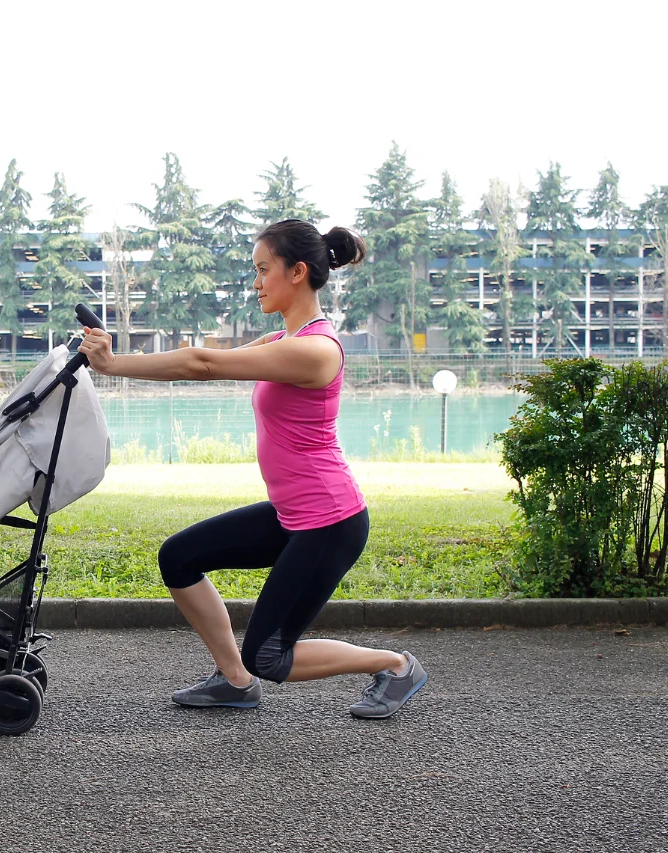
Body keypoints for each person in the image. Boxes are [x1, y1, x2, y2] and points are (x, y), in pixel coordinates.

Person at [78, 219, 427, 720]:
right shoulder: (283, 339)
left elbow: (204, 364)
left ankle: (395, 665)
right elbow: (203, 364)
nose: (257, 282)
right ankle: (235, 683)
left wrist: (113, 365)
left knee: (270, 656)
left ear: (298, 272)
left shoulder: (316, 350)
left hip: (329, 522)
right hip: (293, 515)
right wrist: (114, 364)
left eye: (264, 270)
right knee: (179, 558)